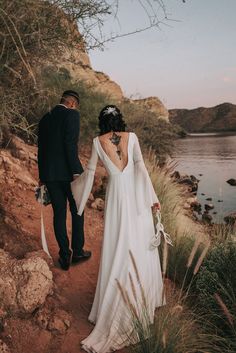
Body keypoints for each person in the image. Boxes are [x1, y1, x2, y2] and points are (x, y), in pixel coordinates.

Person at [71, 105, 164, 352]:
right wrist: (152, 196)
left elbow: (89, 173)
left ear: (102, 122)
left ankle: (115, 302)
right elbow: (141, 168)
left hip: (116, 198)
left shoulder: (96, 142)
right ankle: (143, 299)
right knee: (140, 243)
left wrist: (77, 198)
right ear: (120, 120)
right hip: (136, 196)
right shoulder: (131, 137)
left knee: (118, 243)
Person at [37, 90, 91, 271]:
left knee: (59, 214)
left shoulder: (45, 118)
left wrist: (42, 176)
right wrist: (76, 171)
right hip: (69, 174)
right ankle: (77, 252)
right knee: (77, 211)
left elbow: (41, 149)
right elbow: (70, 144)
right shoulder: (72, 115)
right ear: (73, 103)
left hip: (50, 175)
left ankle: (64, 256)